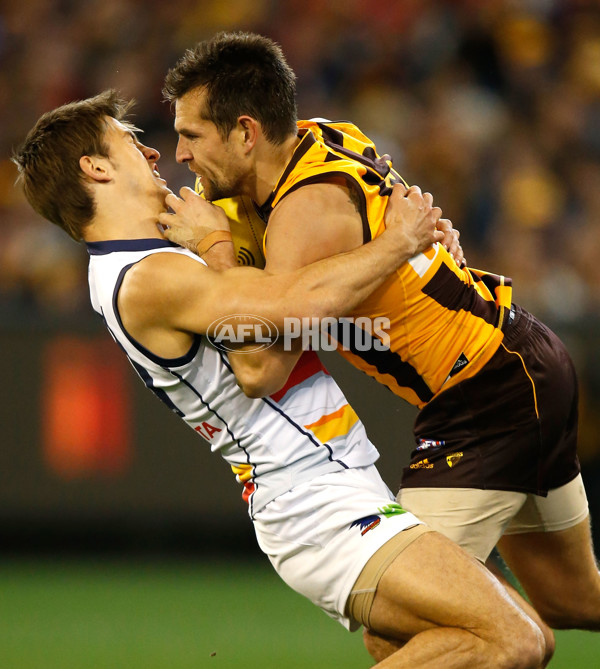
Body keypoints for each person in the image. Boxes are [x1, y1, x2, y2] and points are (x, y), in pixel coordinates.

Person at [12, 90, 546, 668]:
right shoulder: (145, 277)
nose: (154, 152)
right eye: (129, 140)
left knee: (491, 642)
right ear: (96, 168)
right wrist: (397, 243)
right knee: (512, 641)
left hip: (334, 488)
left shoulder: (153, 254)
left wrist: (420, 265)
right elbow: (278, 325)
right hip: (312, 505)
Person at [160, 30, 600, 663]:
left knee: (402, 630)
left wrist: (215, 251)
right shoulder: (316, 140)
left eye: (192, 136)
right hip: (519, 360)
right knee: (569, 601)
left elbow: (260, 366)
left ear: (246, 132)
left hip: (486, 392)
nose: (179, 154)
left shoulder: (306, 210)